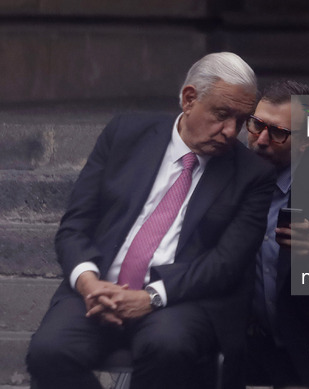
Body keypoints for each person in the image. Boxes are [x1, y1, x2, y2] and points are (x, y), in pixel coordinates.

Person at [26, 52, 276, 389]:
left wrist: (151, 297)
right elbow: (75, 225)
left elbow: (226, 263)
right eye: (221, 114)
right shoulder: (125, 135)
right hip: (98, 289)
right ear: (189, 99)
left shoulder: (251, 175)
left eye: (241, 119)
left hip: (180, 300)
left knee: (167, 347)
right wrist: (88, 284)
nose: (231, 131)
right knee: (49, 351)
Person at [244, 80, 309, 387]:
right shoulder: (230, 171)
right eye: (256, 125)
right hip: (246, 337)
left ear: (307, 139)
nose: (261, 140)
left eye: (278, 132)